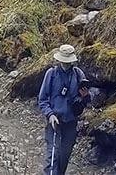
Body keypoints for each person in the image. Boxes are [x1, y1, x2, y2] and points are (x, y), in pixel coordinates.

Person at [37, 44, 90, 175]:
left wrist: (85, 96)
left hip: (71, 122)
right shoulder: (51, 74)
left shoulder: (78, 74)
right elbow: (42, 99)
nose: (66, 64)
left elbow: (84, 102)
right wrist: (50, 115)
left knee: (64, 157)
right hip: (54, 121)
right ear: (59, 60)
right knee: (52, 155)